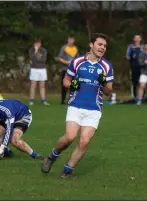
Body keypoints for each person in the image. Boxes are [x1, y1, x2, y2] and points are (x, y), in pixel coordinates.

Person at [41, 33, 114, 178]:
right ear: (91, 45)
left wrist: (104, 82)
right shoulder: (77, 61)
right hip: (76, 105)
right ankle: (52, 156)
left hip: (94, 109)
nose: (102, 48)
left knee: (84, 141)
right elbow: (66, 81)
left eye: (105, 46)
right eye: (100, 44)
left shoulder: (106, 66)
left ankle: (68, 170)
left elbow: (108, 92)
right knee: (69, 137)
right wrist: (72, 84)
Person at [0, 91, 44, 160]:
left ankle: (34, 155)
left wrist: (1, 148)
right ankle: (7, 152)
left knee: (14, 140)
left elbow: (9, 130)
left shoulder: (6, 110)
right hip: (7, 117)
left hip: (22, 116)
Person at [58, 35, 79, 104]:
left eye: (72, 39)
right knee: (64, 85)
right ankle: (63, 100)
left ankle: (71, 99)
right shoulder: (64, 48)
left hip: (73, 70)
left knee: (73, 85)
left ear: (74, 40)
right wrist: (66, 62)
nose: (71, 41)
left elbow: (77, 59)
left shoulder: (75, 49)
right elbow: (60, 58)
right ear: (68, 40)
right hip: (65, 69)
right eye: (69, 39)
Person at [29, 38, 49, 106]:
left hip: (42, 69)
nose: (37, 44)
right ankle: (31, 100)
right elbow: (32, 58)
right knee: (33, 85)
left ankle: (43, 100)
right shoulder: (32, 50)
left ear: (40, 44)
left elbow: (43, 59)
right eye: (36, 43)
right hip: (34, 69)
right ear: (34, 44)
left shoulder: (43, 50)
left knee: (42, 86)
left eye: (39, 43)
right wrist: (36, 52)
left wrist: (36, 58)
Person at [126, 34, 144, 100]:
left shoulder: (143, 47)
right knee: (134, 82)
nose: (137, 39)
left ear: (140, 39)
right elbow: (127, 56)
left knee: (142, 82)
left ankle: (142, 97)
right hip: (133, 66)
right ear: (134, 39)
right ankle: (134, 97)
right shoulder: (130, 47)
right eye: (136, 38)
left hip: (142, 67)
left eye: (138, 38)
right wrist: (131, 57)